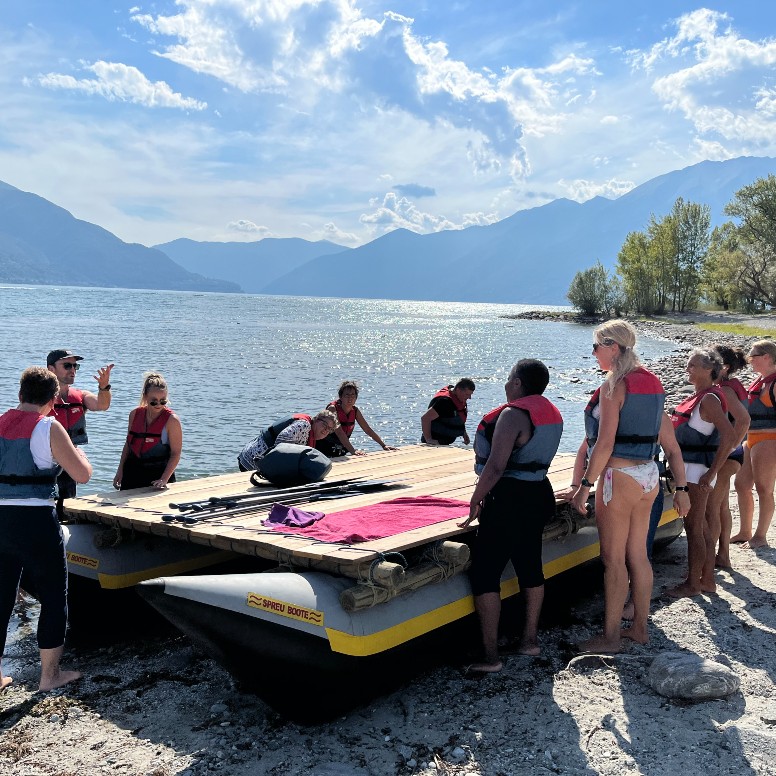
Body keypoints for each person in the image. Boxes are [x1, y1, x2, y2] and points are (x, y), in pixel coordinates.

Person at [570, 320, 689, 653]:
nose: (593, 354)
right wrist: (681, 489)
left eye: (596, 347)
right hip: (648, 476)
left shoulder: (615, 385)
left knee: (612, 559)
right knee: (638, 555)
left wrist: (584, 485)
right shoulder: (653, 383)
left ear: (613, 348)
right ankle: (639, 629)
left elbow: (605, 442)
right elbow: (672, 447)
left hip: (619, 479)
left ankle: (609, 638)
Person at [459, 360, 563, 671]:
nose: (505, 385)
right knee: (530, 566)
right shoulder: (552, 413)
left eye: (508, 379)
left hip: (509, 499)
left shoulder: (512, 414)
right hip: (539, 494)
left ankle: (490, 657)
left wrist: (475, 501)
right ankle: (529, 641)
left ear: (517, 383)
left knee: (485, 574)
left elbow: (495, 466)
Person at [1, 366, 92, 692]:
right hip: (35, 521)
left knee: (1, 596)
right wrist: (80, 453)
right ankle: (49, 676)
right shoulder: (49, 426)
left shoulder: (0, 423)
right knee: (54, 595)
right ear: (53, 400)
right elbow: (81, 475)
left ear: (20, 394)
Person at [668, 348, 736, 598]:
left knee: (693, 527)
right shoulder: (701, 397)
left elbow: (729, 435)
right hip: (693, 469)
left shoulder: (709, 399)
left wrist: (711, 474)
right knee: (701, 526)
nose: (688, 369)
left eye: (692, 366)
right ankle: (707, 580)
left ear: (709, 370)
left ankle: (692, 584)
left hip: (698, 471)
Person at [46, 349, 113, 511]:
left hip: (70, 460)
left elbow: (102, 405)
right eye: (67, 365)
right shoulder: (41, 398)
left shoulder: (81, 396)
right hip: (45, 462)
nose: (73, 370)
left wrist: (104, 388)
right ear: (51, 369)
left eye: (75, 366)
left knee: (67, 503)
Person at [708, 345, 750, 568]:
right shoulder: (729, 386)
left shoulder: (725, 389)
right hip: (732, 454)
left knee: (712, 508)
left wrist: (729, 448)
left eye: (710, 361)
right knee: (722, 505)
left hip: (728, 456)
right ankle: (722, 555)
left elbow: (743, 420)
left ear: (723, 367)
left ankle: (709, 557)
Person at [732, 339, 776, 549]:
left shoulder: (774, 383)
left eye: (753, 356)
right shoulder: (762, 380)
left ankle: (760, 536)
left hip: (769, 440)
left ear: (766, 357)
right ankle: (745, 531)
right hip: (752, 439)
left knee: (764, 488)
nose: (750, 360)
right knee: (741, 484)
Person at [113, 373, 182, 491]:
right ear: (145, 397)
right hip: (132, 473)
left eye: (163, 401)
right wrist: (120, 471)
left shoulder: (172, 420)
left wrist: (164, 479)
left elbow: (176, 454)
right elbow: (128, 445)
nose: (158, 405)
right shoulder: (134, 414)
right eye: (154, 401)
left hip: (158, 477)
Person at [238, 410, 339, 472]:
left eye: (330, 429)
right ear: (316, 419)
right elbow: (281, 441)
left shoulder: (310, 433)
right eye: (325, 425)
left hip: (255, 459)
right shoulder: (304, 425)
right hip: (252, 459)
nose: (326, 430)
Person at [315, 381, 397, 457]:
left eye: (353, 395)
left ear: (356, 398)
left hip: (341, 447)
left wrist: (383, 445)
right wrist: (353, 451)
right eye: (347, 395)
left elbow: (367, 429)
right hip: (324, 446)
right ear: (341, 397)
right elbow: (339, 432)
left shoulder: (355, 411)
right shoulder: (333, 409)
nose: (350, 398)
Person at [421, 379, 475, 446]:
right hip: (434, 443)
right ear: (458, 390)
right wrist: (429, 439)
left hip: (445, 444)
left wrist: (464, 434)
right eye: (467, 394)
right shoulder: (444, 402)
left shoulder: (459, 399)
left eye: (470, 394)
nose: (469, 397)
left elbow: (458, 417)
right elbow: (425, 418)